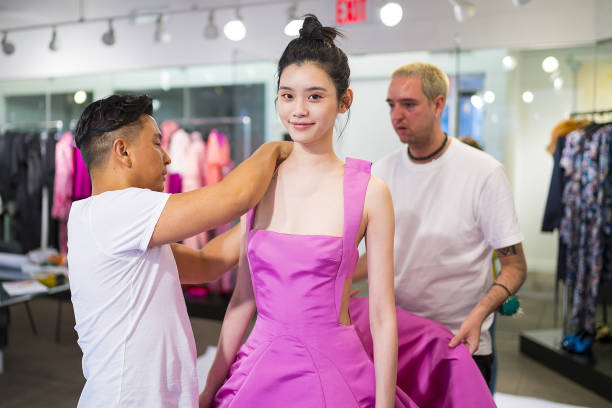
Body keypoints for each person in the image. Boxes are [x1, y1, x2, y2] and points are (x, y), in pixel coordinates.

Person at [200, 15, 414, 408]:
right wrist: (209, 388)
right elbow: (242, 302)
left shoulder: (370, 193)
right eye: (287, 95)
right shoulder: (258, 184)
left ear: (344, 100)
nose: (298, 110)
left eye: (315, 96)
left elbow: (383, 317)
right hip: (257, 371)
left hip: (334, 374)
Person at [67, 94, 292, 407]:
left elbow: (207, 263)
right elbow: (234, 197)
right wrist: (279, 148)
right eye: (157, 144)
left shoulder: (107, 221)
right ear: (123, 151)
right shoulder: (115, 210)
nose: (168, 158)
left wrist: (267, 217)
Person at [353, 62, 527, 388]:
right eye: (392, 105)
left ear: (438, 105)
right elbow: (385, 256)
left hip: (461, 341)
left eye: (408, 104)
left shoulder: (484, 172)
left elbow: (515, 266)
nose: (396, 115)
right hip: (400, 337)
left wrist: (479, 315)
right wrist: (337, 279)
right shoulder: (381, 173)